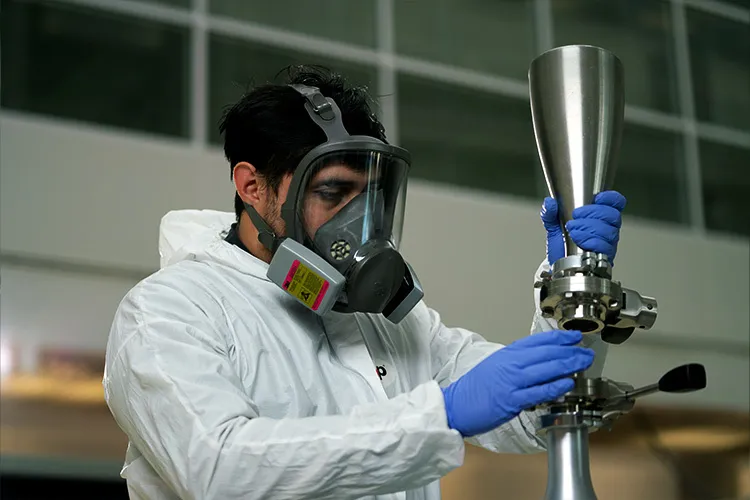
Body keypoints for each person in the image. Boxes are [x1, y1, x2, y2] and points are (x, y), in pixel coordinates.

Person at [103, 66, 628, 500]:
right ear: (252, 186)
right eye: (333, 193)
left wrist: (573, 287)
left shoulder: (389, 323)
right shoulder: (167, 313)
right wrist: (438, 415)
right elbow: (220, 472)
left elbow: (534, 420)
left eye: (372, 199)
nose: (360, 224)